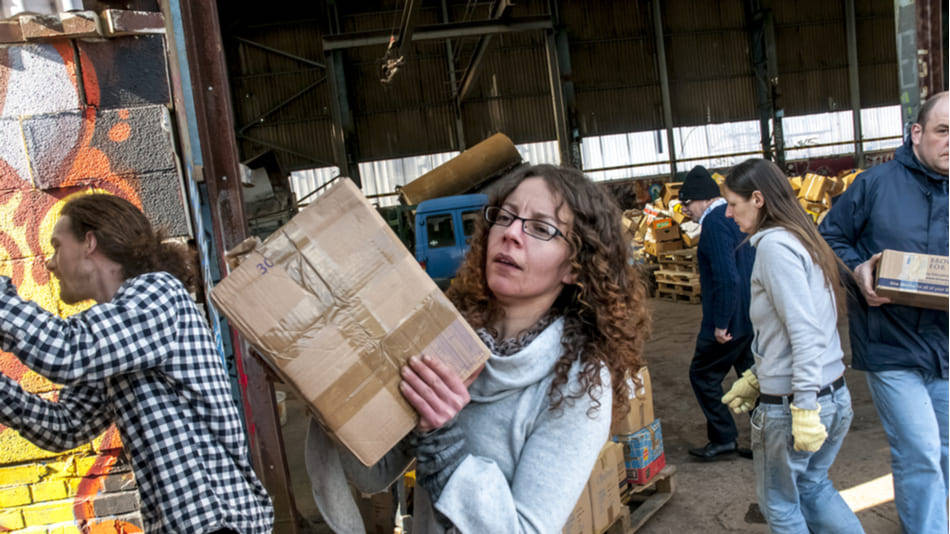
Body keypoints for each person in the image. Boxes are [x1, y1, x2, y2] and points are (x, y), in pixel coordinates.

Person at [306, 164, 650, 533]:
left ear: (575, 268)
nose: (511, 234)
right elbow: (375, 472)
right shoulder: (449, 336)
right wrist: (323, 383)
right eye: (505, 217)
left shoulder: (579, 382)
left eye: (540, 228)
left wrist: (442, 438)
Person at [0, 194, 274, 533]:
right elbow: (66, 426)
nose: (51, 264)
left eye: (57, 246)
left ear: (89, 242)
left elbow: (66, 352)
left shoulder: (156, 294)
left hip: (218, 523)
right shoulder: (117, 335)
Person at [819, 91, 948, 534]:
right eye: (942, 130)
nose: (949, 141)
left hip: (946, 350)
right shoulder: (874, 186)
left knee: (944, 452)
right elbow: (828, 239)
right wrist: (857, 272)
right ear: (917, 133)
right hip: (891, 344)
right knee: (919, 451)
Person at [719, 158, 863, 533]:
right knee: (813, 487)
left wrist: (802, 406)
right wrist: (757, 375)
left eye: (734, 204)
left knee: (780, 506)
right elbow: (803, 327)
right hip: (833, 395)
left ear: (758, 199)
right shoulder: (803, 237)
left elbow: (803, 331)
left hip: (797, 404)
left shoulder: (774, 248)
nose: (730, 214)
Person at [677, 165, 755, 461]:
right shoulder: (735, 218)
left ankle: (723, 437)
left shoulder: (713, 226)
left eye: (687, 203)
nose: (685, 210)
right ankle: (766, 438)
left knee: (703, 375)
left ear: (703, 199)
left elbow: (726, 278)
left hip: (729, 321)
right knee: (752, 379)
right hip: (750, 317)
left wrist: (721, 324)